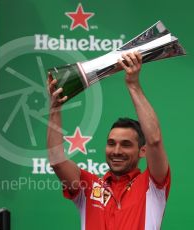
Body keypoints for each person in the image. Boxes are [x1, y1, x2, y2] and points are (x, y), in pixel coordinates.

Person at [47, 51, 170, 230]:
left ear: (142, 150)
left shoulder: (153, 185)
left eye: (126, 144)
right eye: (111, 143)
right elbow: (57, 161)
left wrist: (133, 85)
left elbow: (155, 140)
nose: (116, 151)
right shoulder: (88, 186)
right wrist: (55, 108)